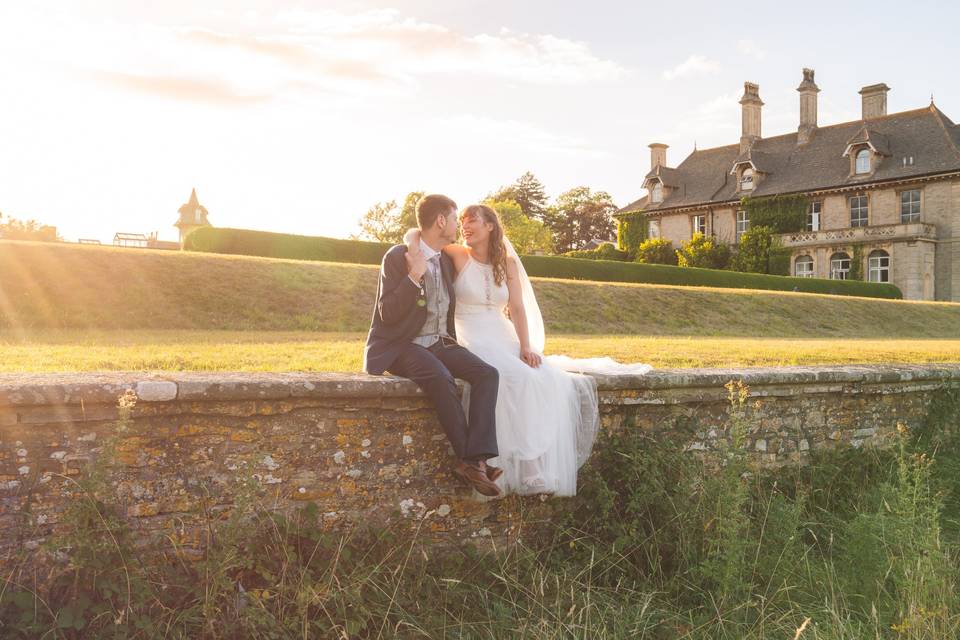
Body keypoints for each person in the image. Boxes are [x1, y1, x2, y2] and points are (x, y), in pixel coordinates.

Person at [405, 204, 652, 496]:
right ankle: (528, 464)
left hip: (502, 332)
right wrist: (410, 245)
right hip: (471, 335)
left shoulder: (506, 263)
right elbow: (416, 233)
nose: (465, 228)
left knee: (542, 377)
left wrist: (525, 346)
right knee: (513, 377)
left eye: (473, 222)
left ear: (490, 227)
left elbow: (518, 308)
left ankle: (535, 458)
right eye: (463, 223)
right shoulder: (457, 254)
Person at [363, 194, 503, 497]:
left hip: (440, 342)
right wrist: (414, 274)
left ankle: (474, 459)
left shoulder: (444, 259)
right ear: (441, 220)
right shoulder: (398, 257)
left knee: (487, 374)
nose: (458, 225)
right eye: (454, 218)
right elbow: (387, 312)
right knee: (441, 377)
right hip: (402, 345)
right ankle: (473, 462)